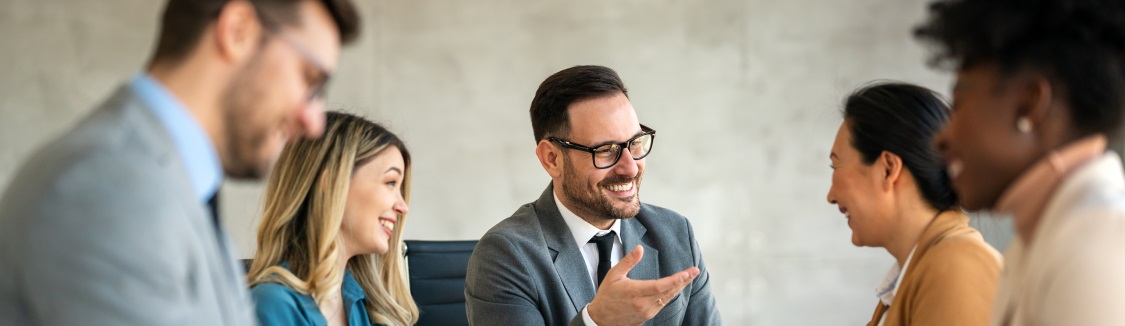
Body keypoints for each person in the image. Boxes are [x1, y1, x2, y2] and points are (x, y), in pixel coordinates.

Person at [0, 0, 360, 324]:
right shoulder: (106, 189)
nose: (314, 123)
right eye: (310, 80)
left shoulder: (174, 186)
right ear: (237, 30)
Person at [914, 0, 1125, 324]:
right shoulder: (1040, 237)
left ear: (1029, 105)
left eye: (959, 103)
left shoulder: (1096, 247)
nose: (940, 138)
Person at [465, 65, 721, 325]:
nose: (631, 167)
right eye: (606, 150)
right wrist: (596, 321)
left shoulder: (675, 234)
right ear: (552, 159)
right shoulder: (505, 255)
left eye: (634, 143)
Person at [826, 82, 1001, 326]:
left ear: (888, 169)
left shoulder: (956, 266)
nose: (830, 195)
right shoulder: (919, 271)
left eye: (836, 166)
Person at [247, 111, 417, 326]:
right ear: (332, 183)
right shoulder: (271, 305)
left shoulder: (360, 303)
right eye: (391, 182)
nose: (403, 207)